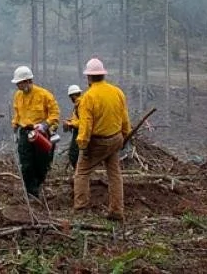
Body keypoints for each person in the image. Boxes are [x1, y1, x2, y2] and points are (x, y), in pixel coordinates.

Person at [73, 58, 131, 222]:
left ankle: (80, 208)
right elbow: (124, 118)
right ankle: (116, 211)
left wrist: (82, 145)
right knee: (114, 174)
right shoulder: (117, 92)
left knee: (82, 172)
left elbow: (86, 125)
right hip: (115, 139)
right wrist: (126, 135)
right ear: (103, 75)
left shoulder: (88, 97)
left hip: (97, 142)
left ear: (88, 77)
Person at [10, 66, 60, 198]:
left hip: (41, 133)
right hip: (24, 132)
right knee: (26, 163)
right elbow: (17, 113)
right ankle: (31, 192)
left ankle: (37, 184)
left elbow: (55, 114)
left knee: (42, 162)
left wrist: (45, 125)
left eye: (19, 83)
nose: (18, 86)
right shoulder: (18, 96)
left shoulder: (45, 95)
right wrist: (15, 125)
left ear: (27, 81)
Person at [64, 85, 83, 169]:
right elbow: (78, 118)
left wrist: (71, 124)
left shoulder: (81, 104)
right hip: (78, 131)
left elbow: (84, 122)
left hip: (80, 132)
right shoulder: (78, 104)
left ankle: (79, 172)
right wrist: (71, 121)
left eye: (71, 96)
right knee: (75, 154)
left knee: (74, 154)